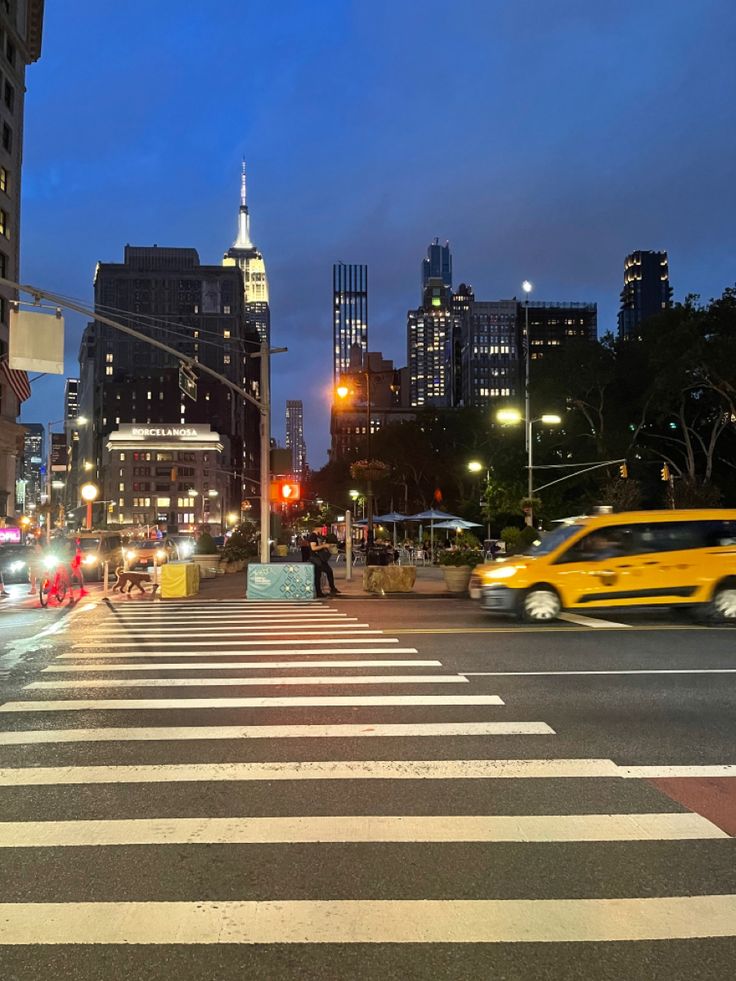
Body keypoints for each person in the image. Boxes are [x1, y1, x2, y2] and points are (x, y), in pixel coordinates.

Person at [307, 527, 339, 597]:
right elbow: (313, 548)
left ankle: (330, 589)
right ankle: (319, 592)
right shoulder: (313, 536)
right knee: (318, 575)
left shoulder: (318, 536)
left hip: (320, 558)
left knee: (327, 572)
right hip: (316, 558)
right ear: (318, 528)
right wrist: (324, 545)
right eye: (321, 528)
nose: (322, 530)